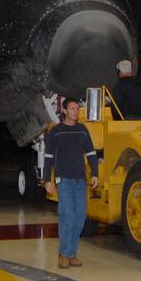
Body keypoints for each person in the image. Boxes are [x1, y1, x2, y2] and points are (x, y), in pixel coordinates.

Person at [43, 96, 98, 269]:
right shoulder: (56, 132)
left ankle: (72, 253)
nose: (76, 112)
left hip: (80, 180)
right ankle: (64, 254)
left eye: (77, 109)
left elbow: (91, 154)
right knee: (66, 216)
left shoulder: (83, 130)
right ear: (65, 111)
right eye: (73, 109)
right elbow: (48, 158)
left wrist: (94, 173)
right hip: (64, 180)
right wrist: (47, 180)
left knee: (80, 216)